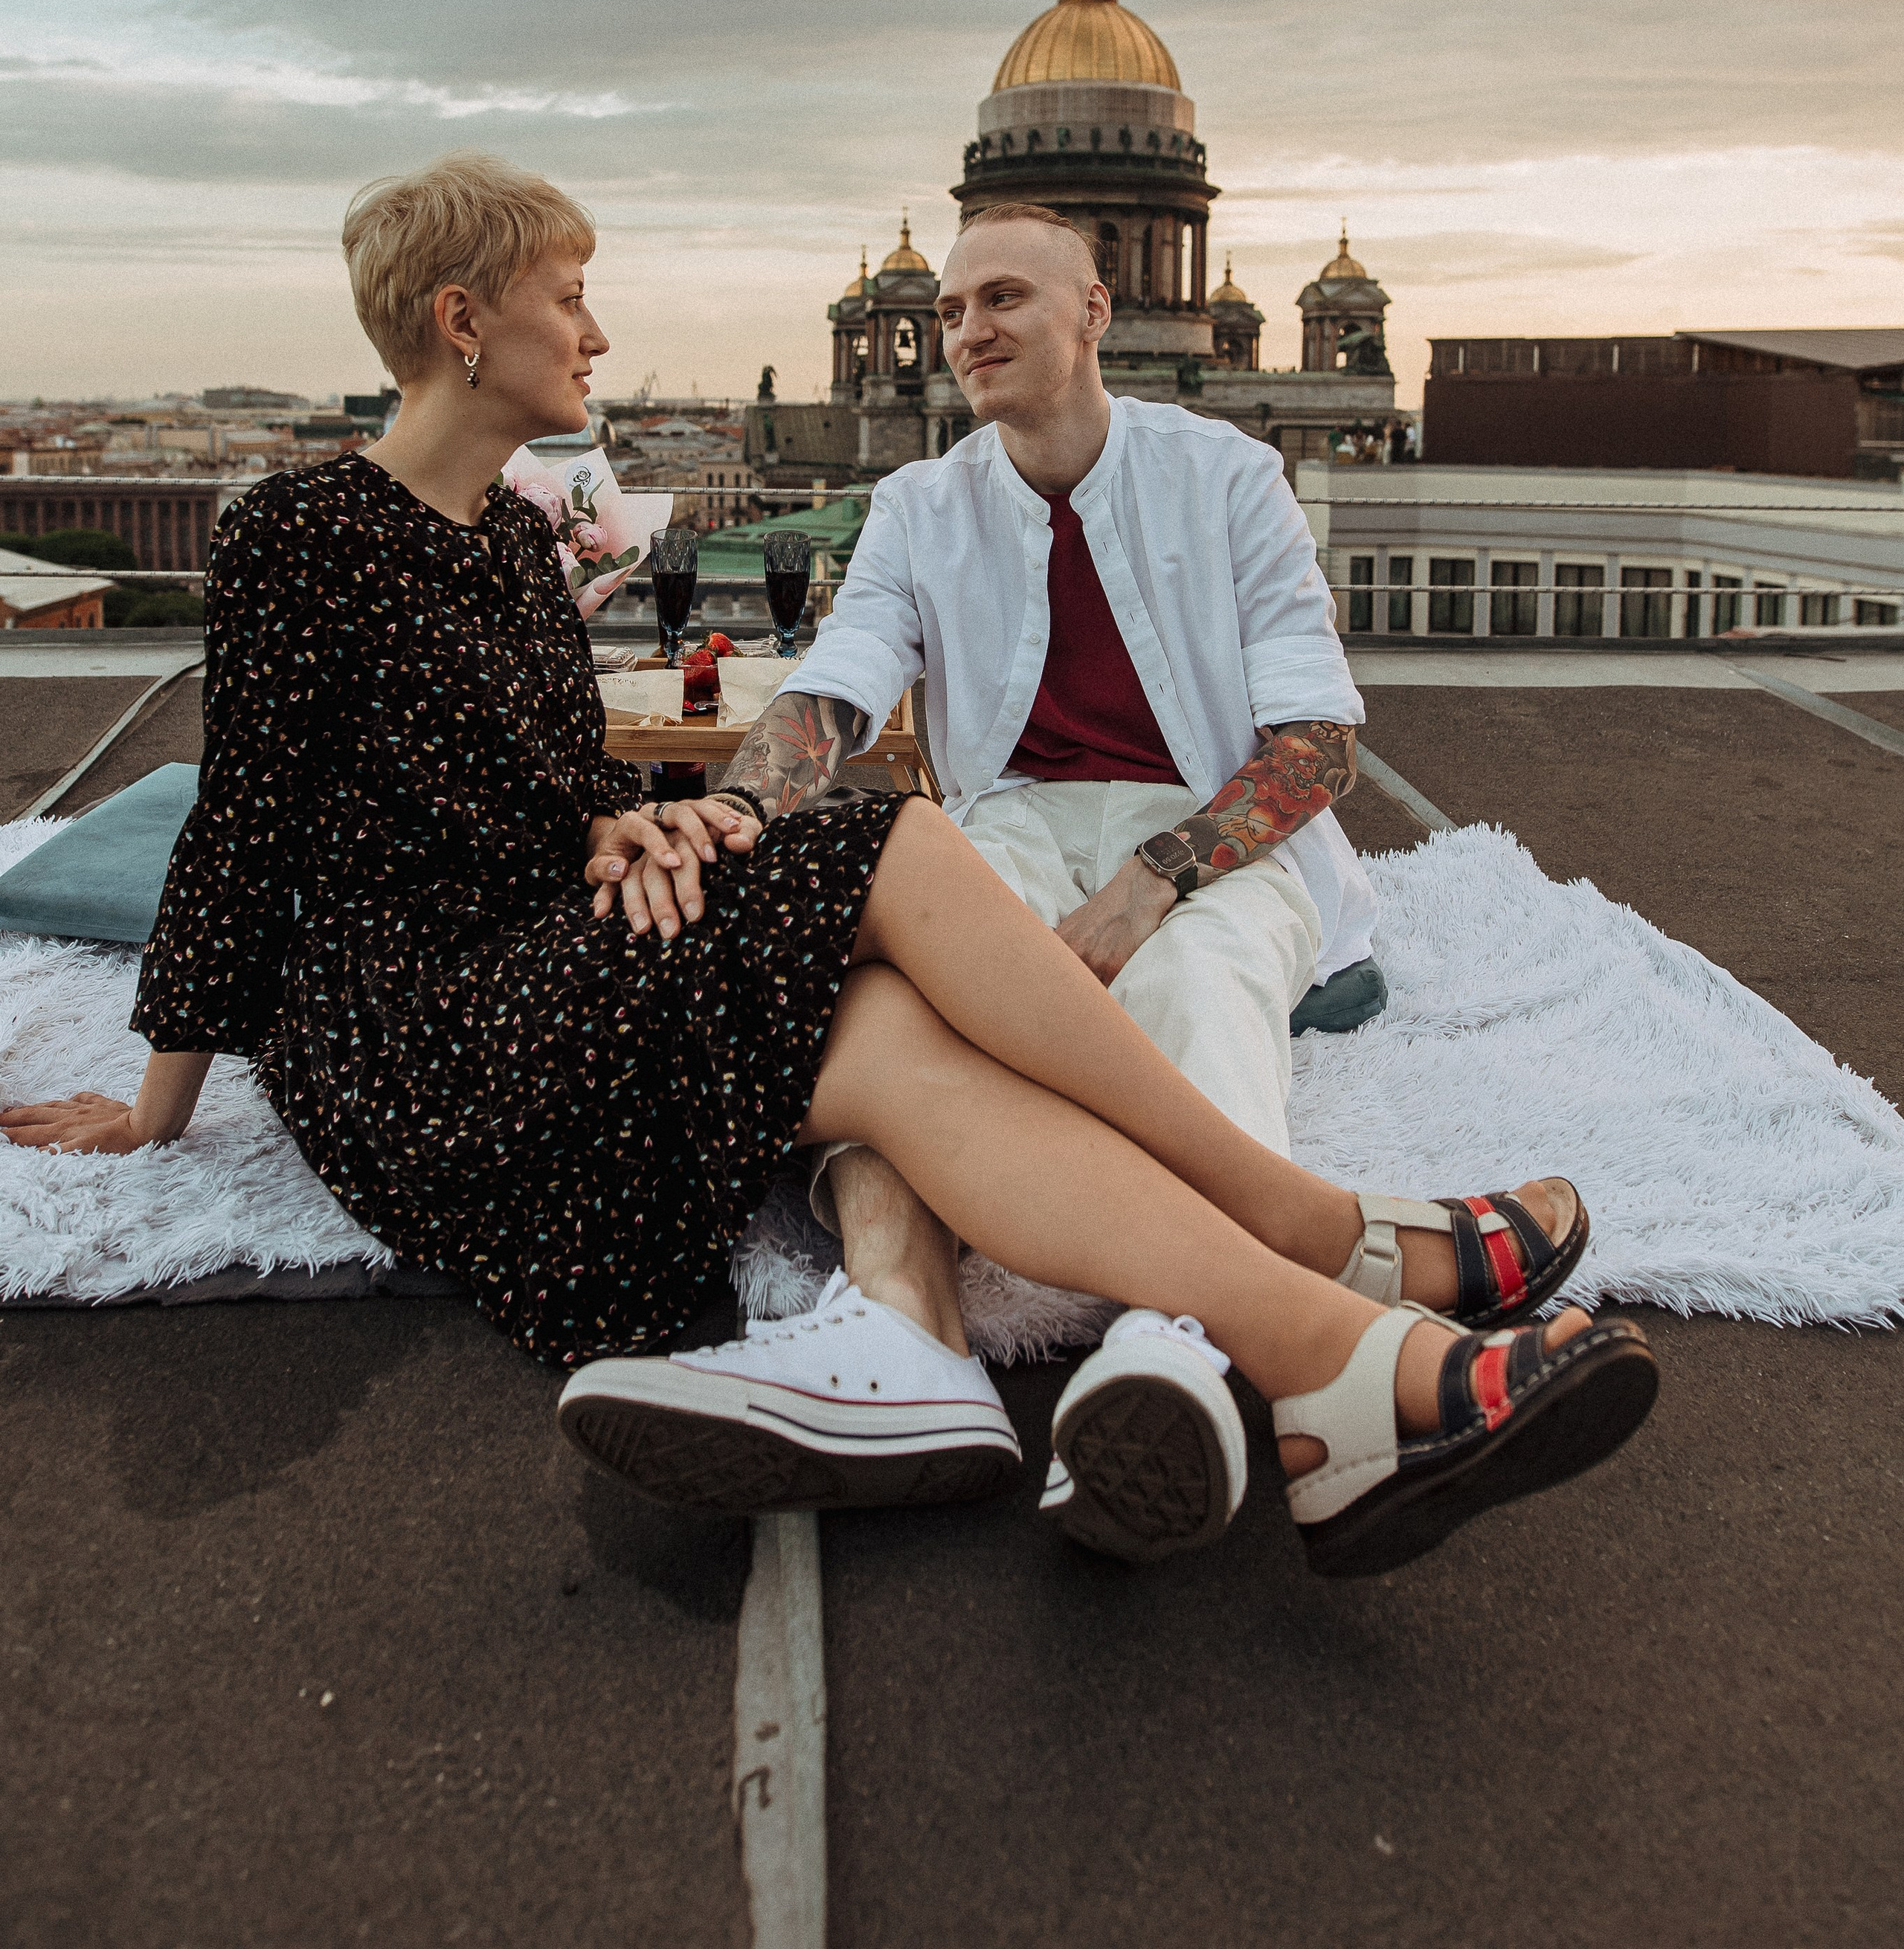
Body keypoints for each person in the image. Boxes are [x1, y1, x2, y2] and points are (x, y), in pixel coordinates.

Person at [0, 154, 1654, 1578]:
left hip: (555, 955)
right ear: (461, 320)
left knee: (878, 1027)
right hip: (422, 1036)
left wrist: (633, 822)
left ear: (1098, 310)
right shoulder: (294, 535)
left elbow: (551, 792)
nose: (597, 332)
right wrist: (159, 1105)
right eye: (571, 298)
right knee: (880, 847)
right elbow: (242, 838)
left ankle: (1273, 1369)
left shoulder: (512, 539)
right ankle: (1313, 1242)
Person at [717, 202, 1408, 1454]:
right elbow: (836, 688)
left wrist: (1151, 883)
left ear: (1094, 309)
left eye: (1003, 298)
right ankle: (896, 1319)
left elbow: (1318, 742)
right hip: (1010, 817)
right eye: (949, 310)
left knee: (1201, 975)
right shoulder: (919, 504)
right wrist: (735, 806)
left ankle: (1179, 1343)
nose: (966, 331)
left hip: (1202, 822)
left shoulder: (1229, 475)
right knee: (884, 999)